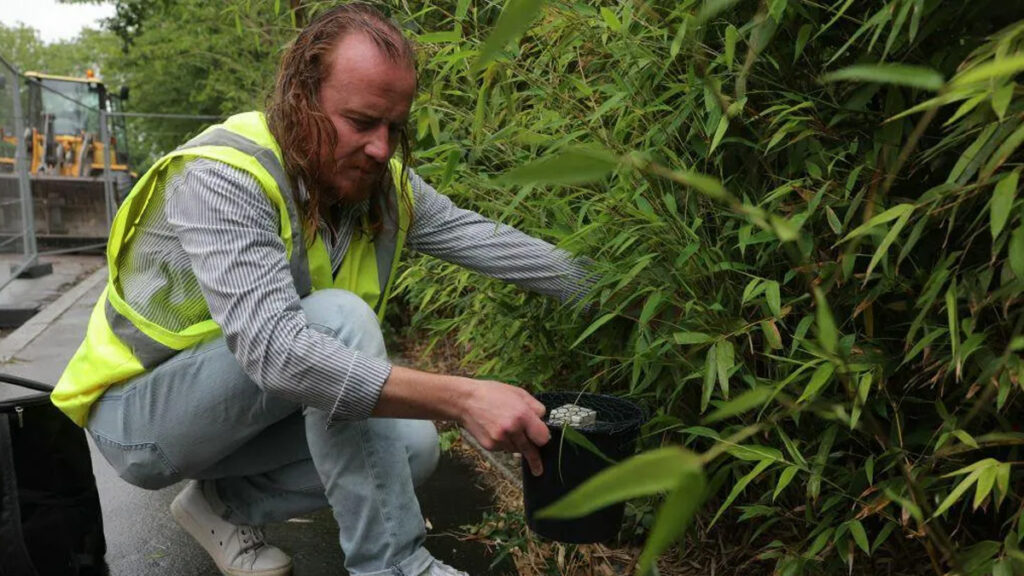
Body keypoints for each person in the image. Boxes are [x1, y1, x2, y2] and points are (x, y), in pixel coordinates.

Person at [51, 4, 592, 576]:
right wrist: (464, 398)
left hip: (247, 410)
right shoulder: (224, 176)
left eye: (395, 127)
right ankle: (394, 565)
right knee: (335, 319)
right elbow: (280, 353)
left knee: (412, 447)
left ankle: (221, 506)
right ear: (299, 98)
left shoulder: (381, 188)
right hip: (143, 419)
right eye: (361, 122)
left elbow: (487, 240)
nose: (382, 148)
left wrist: (611, 294)